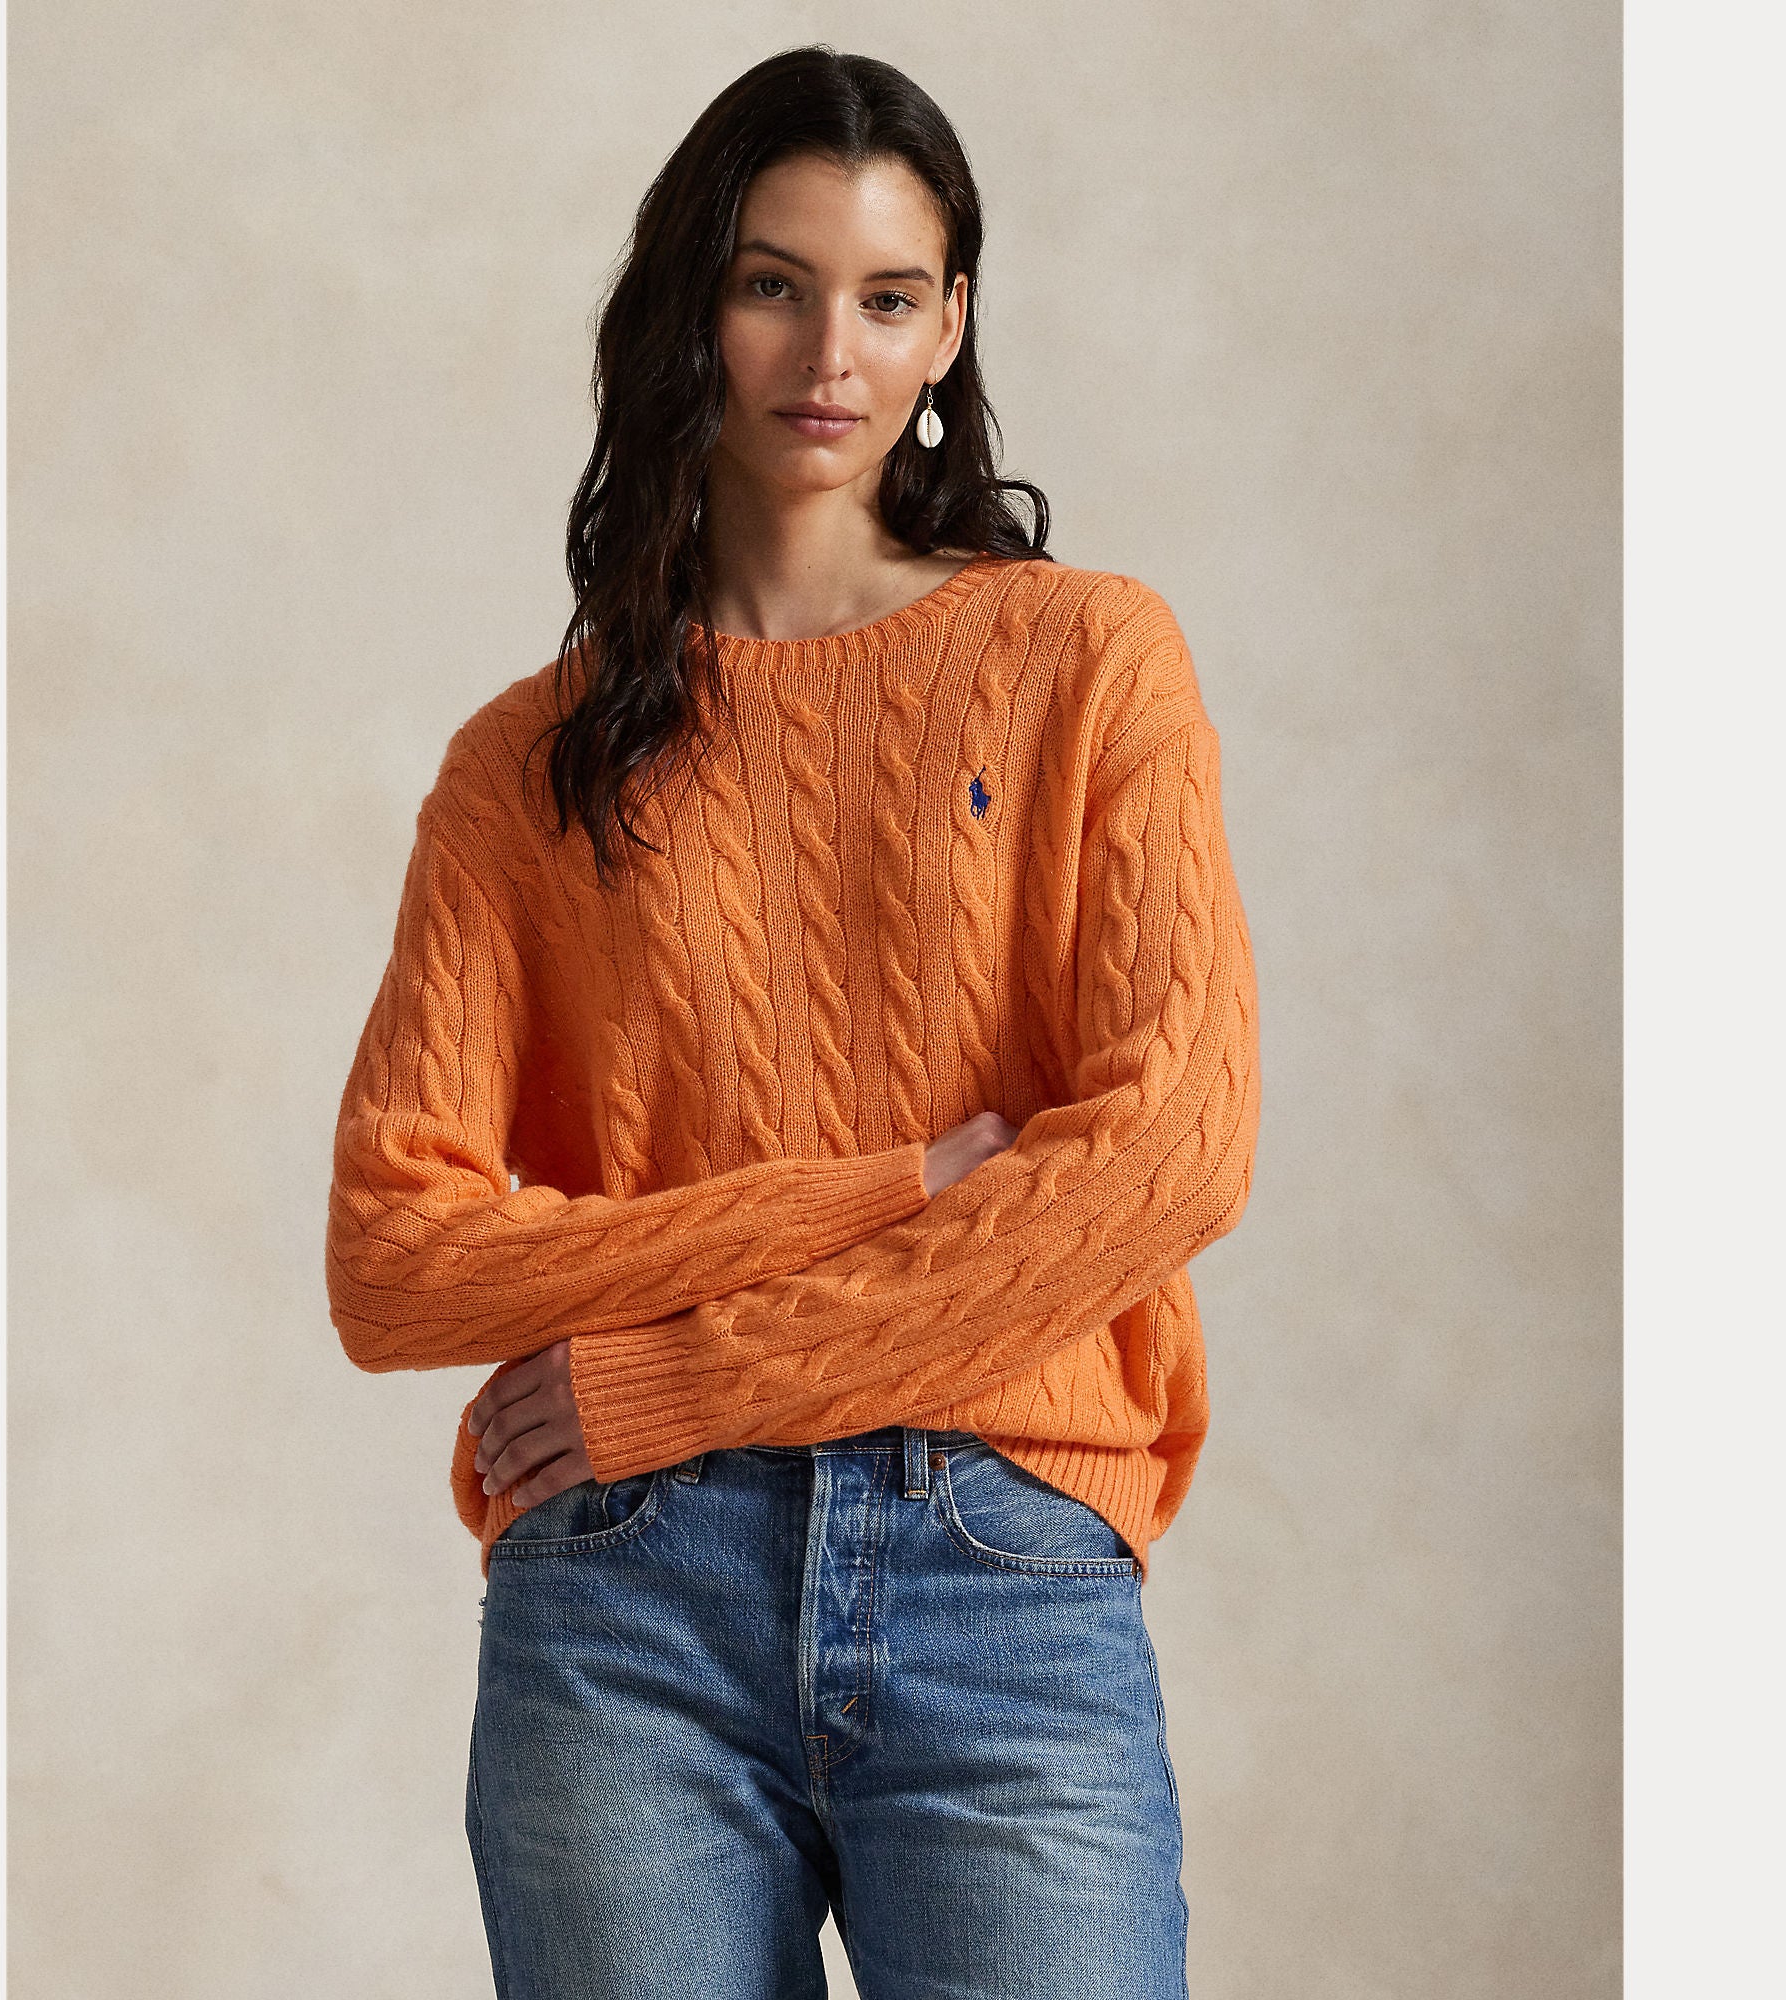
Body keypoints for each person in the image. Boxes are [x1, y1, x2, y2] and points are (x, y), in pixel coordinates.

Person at [324, 44, 1259, 2000]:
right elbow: (398, 1263)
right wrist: (887, 1185)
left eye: (887, 296)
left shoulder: (1086, 660)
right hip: (627, 1603)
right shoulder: (525, 765)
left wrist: (684, 1375)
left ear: (949, 328)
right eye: (774, 284)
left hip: (996, 1565)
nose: (830, 352)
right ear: (694, 300)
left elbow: (1170, 1148)